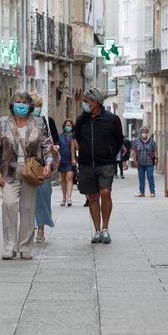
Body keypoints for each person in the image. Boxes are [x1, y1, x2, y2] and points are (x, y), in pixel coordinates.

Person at [0, 91, 54, 260]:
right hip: (8, 173)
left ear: (30, 105)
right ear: (12, 104)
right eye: (18, 102)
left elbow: (46, 146)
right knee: (9, 205)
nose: (21, 105)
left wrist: (48, 164)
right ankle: (9, 247)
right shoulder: (2, 123)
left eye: (24, 102)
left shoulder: (38, 123)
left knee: (27, 209)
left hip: (30, 171)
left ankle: (24, 246)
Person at [74, 87, 124, 244]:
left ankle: (106, 229)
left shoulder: (112, 120)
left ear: (95, 103)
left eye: (86, 101)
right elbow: (78, 140)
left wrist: (109, 154)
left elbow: (119, 141)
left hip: (106, 164)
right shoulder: (81, 120)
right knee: (93, 197)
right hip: (87, 164)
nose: (84, 104)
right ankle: (97, 230)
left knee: (105, 193)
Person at [31, 93, 59, 243]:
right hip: (27, 166)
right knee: (29, 199)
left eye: (40, 106)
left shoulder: (47, 121)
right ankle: (30, 228)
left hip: (43, 166)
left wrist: (55, 147)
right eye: (35, 105)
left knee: (43, 197)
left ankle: (40, 228)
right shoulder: (21, 123)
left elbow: (55, 140)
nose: (38, 109)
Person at [132, 126, 158, 197]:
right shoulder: (137, 141)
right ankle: (141, 192)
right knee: (141, 177)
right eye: (143, 132)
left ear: (147, 133)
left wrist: (156, 158)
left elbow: (155, 150)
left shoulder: (152, 141)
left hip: (149, 163)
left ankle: (152, 192)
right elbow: (134, 151)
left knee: (150, 176)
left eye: (146, 132)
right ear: (141, 133)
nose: (144, 134)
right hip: (140, 163)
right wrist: (135, 160)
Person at [58, 119, 76, 206]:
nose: (68, 127)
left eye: (70, 125)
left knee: (69, 178)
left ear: (72, 127)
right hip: (62, 160)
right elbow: (57, 147)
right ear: (64, 126)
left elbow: (77, 148)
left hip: (71, 160)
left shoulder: (74, 136)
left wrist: (74, 159)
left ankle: (69, 198)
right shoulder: (60, 136)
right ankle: (64, 198)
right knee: (63, 180)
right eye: (66, 125)